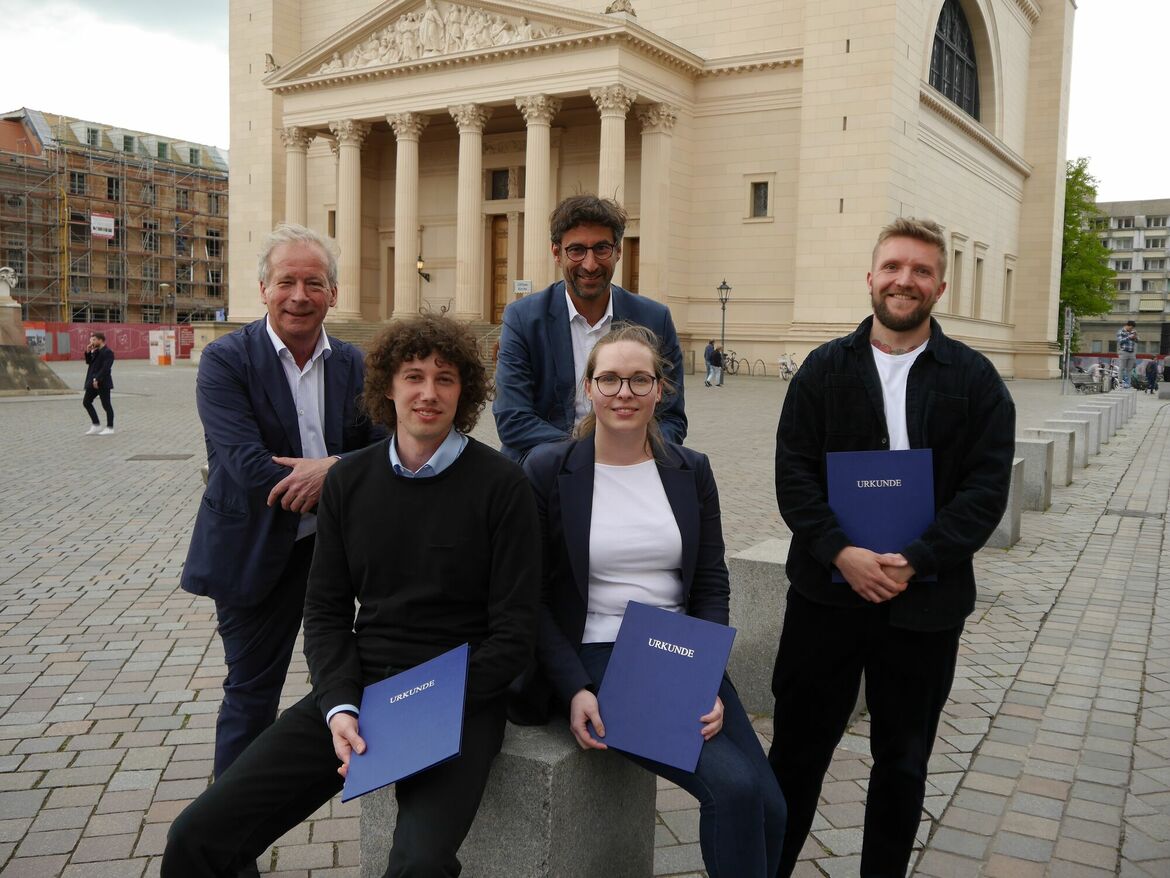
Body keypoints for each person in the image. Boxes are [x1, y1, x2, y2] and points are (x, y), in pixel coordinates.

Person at [163, 314, 540, 878]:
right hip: (361, 688)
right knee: (197, 836)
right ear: (387, 385)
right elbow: (327, 613)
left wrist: (423, 710)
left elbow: (514, 633)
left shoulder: (504, 486)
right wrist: (339, 703)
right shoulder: (347, 481)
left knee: (418, 864)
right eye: (413, 376)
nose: (428, 393)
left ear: (465, 392)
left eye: (445, 379)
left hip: (457, 695)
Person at [769, 217, 1014, 877]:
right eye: (894, 267)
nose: (906, 280)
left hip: (923, 604)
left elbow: (986, 490)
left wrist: (918, 558)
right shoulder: (823, 370)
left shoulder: (976, 379)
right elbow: (794, 475)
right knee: (795, 755)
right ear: (872, 276)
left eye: (921, 270)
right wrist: (840, 551)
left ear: (941, 284)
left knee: (903, 763)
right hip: (826, 596)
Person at [521, 323, 786, 877]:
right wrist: (574, 687)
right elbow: (533, 597)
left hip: (681, 650)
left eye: (639, 380)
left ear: (660, 389)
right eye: (610, 379)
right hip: (602, 651)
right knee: (733, 789)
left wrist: (706, 674)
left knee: (771, 805)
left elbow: (711, 581)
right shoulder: (550, 469)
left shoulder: (691, 470)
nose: (624, 393)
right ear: (588, 388)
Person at [181, 224, 382, 788]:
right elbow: (247, 466)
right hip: (253, 551)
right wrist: (342, 472)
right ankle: (224, 847)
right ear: (263, 288)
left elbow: (388, 447)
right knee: (250, 695)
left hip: (338, 550)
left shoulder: (354, 364)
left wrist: (333, 468)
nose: (300, 295)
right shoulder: (226, 361)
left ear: (333, 294)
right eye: (287, 281)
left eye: (314, 282)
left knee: (362, 679)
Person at [493, 194, 686, 462]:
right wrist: (591, 454)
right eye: (577, 250)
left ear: (618, 251)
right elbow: (512, 419)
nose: (590, 264)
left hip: (629, 464)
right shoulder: (523, 319)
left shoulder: (655, 318)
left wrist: (630, 458)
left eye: (601, 249)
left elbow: (671, 419)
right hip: (547, 467)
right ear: (556, 253)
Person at [82, 331, 115, 435]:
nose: (92, 342)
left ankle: (110, 428)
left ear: (100, 340)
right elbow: (89, 363)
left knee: (106, 405)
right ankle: (96, 425)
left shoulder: (108, 352)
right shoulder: (95, 351)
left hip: (103, 382)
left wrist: (97, 378)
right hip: (92, 381)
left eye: (94, 340)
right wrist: (88, 352)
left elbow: (106, 368)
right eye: (91, 340)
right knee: (86, 402)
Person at [1117, 320, 1138, 388]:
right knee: (1122, 367)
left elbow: (1137, 341)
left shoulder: (1133, 332)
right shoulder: (1121, 331)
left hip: (1131, 352)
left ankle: (1128, 383)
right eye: (1131, 328)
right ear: (1127, 325)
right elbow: (1120, 341)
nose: (1131, 329)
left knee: (1129, 369)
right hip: (1124, 351)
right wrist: (1129, 337)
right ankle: (1120, 383)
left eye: (1132, 328)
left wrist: (1135, 338)